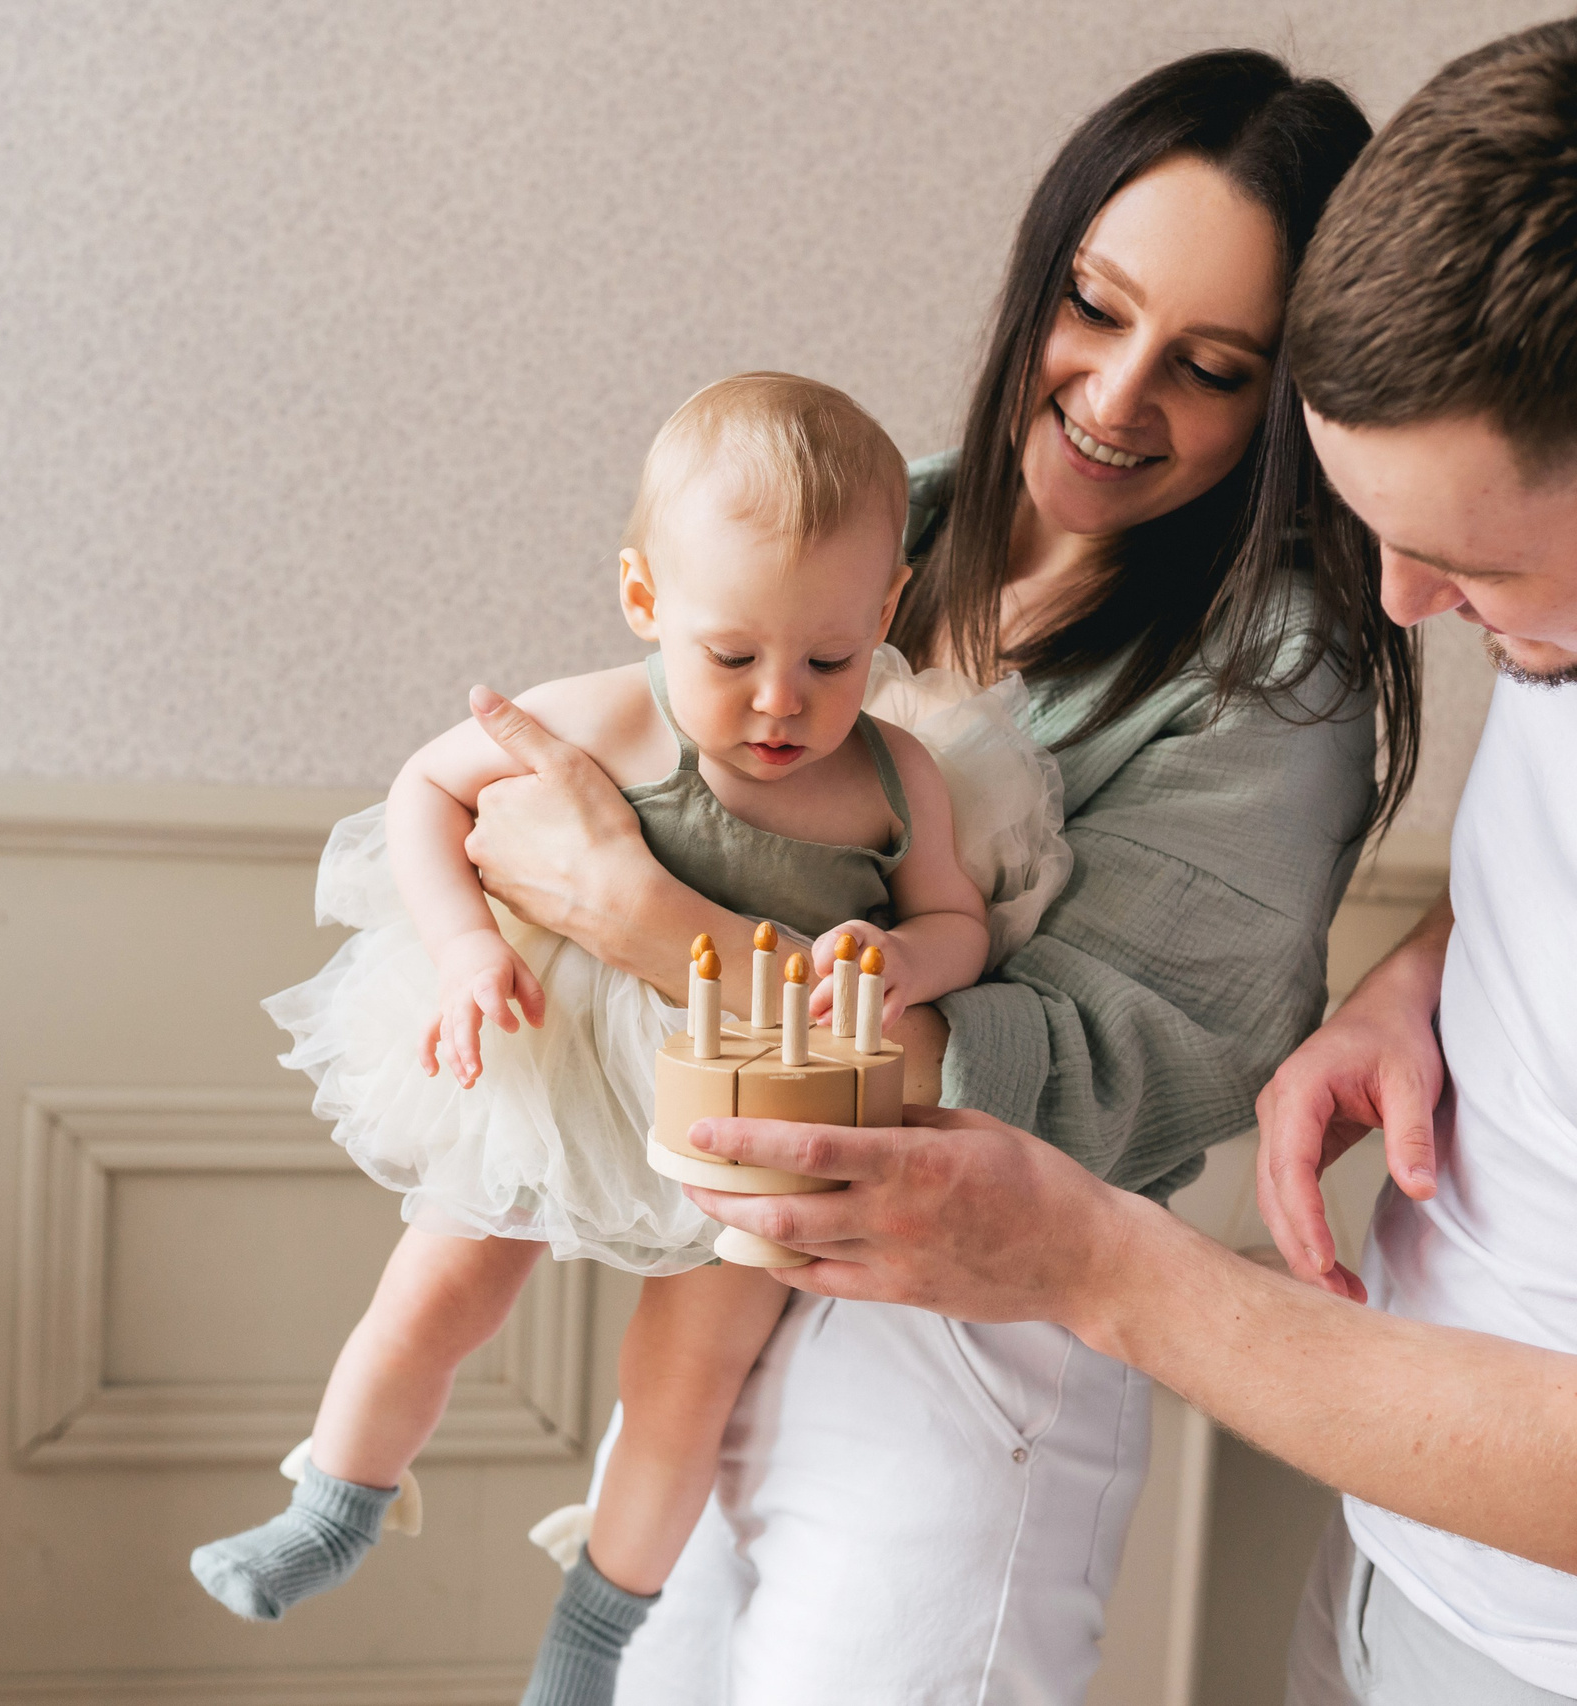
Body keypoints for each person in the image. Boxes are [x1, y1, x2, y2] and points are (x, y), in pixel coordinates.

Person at [679, 11, 1577, 1706]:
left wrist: (1095, 1260)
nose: (1405, 610)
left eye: (1465, 570)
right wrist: (1424, 977)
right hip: (1402, 1563)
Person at [455, 50, 1417, 1703]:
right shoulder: (896, 524)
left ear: (1288, 402)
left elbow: (1088, 1088)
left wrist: (647, 916)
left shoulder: (1281, 679)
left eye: (1209, 366)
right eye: (1095, 309)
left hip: (964, 1331)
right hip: (728, 1248)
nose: (1116, 398)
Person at [189, 372, 1049, 1706]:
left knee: (684, 1374)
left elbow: (959, 923)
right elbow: (426, 788)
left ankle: (593, 1634)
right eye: (732, 655)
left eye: (828, 660)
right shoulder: (605, 716)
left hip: (754, 1103)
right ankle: (336, 1498)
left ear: (882, 615)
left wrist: (904, 957)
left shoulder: (896, 777)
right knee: (444, 1283)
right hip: (564, 1051)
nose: (781, 700)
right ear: (647, 601)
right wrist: (470, 948)